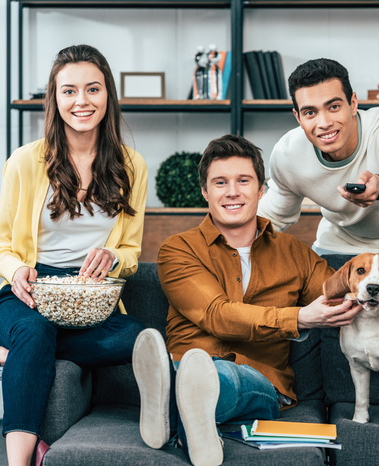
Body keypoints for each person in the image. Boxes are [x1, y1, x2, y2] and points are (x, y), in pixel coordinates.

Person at [132, 134, 361, 466]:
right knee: (197, 369)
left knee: (222, 377)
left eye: (243, 180)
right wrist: (299, 318)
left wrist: (366, 291)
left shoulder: (294, 253)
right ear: (205, 192)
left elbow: (340, 293)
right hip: (191, 359)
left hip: (260, 379)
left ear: (261, 189)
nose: (232, 191)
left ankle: (170, 401)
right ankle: (188, 412)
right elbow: (217, 315)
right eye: (220, 182)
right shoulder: (178, 250)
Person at [0, 44, 148, 466]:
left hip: (91, 298)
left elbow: (130, 251)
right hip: (30, 291)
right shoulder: (25, 162)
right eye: (69, 90)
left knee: (137, 338)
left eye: (93, 89)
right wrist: (18, 268)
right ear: (55, 99)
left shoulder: (132, 166)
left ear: (107, 95)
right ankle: (19, 462)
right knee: (36, 331)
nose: (82, 101)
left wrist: (112, 256)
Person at [257, 57, 379, 255]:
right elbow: (273, 216)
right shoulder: (288, 153)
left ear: (353, 104)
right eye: (310, 112)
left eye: (333, 107)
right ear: (298, 117)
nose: (324, 123)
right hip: (337, 247)